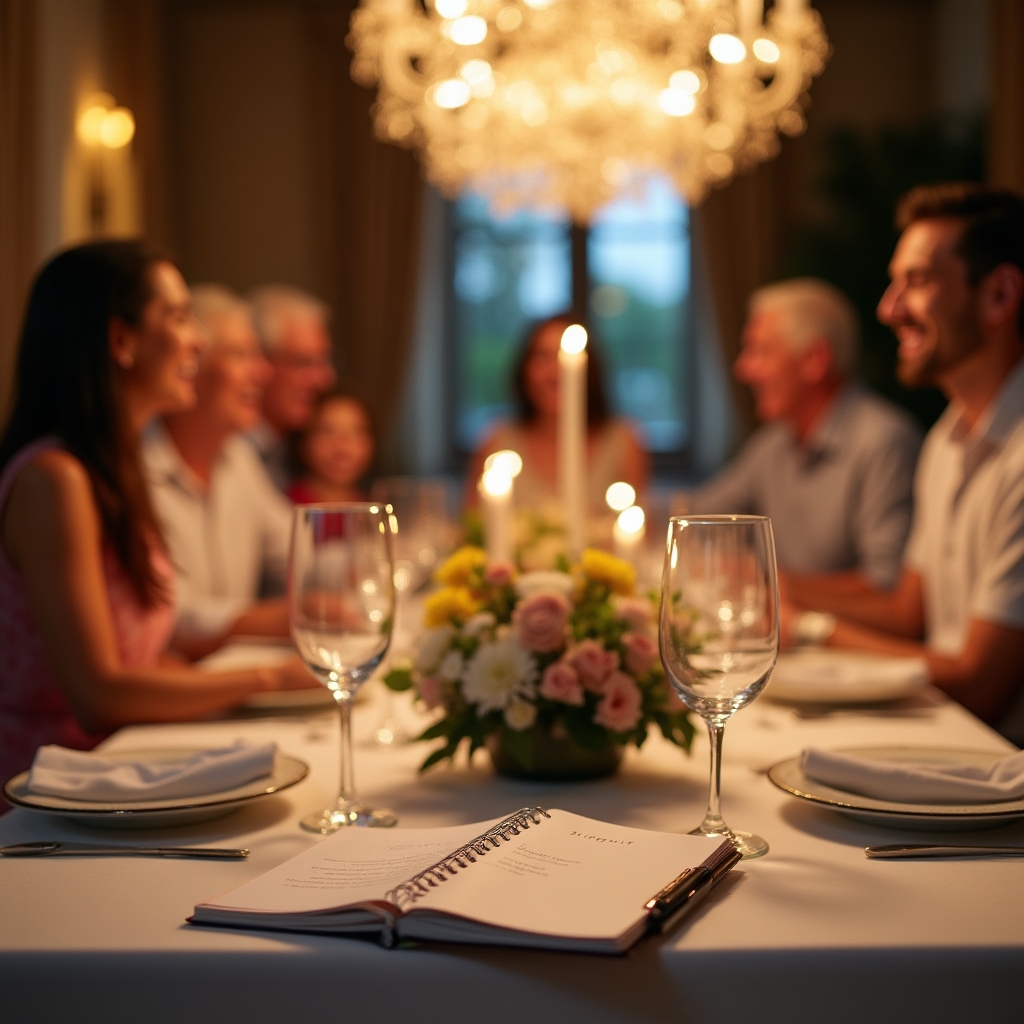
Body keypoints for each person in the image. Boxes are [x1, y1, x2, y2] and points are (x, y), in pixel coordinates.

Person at [0, 241, 314, 792]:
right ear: (120, 340)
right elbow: (97, 696)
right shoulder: (55, 479)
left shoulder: (113, 468)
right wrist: (269, 679)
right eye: (177, 316)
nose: (198, 339)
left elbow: (149, 650)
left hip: (130, 767)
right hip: (56, 792)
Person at [784, 184, 1024, 734]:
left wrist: (806, 629)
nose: (888, 309)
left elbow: (979, 684)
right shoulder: (947, 437)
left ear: (999, 295)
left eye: (916, 282)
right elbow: (908, 612)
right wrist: (773, 587)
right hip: (940, 736)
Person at [690, 279, 921, 590]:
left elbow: (885, 585)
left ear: (815, 359)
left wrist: (765, 579)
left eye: (760, 351)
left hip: (845, 639)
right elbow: (698, 517)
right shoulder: (774, 442)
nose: (743, 369)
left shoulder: (883, 441)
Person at [142, 285, 293, 658]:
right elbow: (167, 616)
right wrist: (288, 617)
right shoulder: (136, 468)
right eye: (241, 354)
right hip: (170, 693)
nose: (263, 372)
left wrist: (375, 559)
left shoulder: (236, 456)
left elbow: (296, 549)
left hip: (225, 689)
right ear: (190, 367)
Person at [468, 314, 649, 512]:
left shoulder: (623, 441)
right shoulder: (496, 441)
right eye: (542, 356)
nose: (554, 372)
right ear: (524, 368)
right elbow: (470, 525)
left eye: (564, 357)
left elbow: (640, 528)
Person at [246, 285, 336, 491]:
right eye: (304, 363)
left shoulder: (303, 449)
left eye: (325, 361)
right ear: (260, 362)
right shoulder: (227, 449)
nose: (324, 380)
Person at [287, 392, 376, 504]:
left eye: (358, 432)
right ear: (303, 440)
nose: (343, 445)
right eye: (327, 431)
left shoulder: (374, 509)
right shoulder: (282, 504)